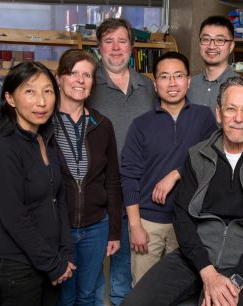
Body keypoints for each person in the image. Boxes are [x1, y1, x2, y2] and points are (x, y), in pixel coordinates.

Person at [121, 76, 243, 306]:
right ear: (219, 114)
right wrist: (207, 272)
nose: (238, 119)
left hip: (242, 265)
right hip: (194, 257)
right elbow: (182, 218)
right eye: (230, 109)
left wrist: (237, 279)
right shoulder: (197, 155)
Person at [121, 51, 217, 286]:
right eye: (164, 77)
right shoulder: (141, 125)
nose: (172, 83)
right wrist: (135, 226)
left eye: (178, 76)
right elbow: (129, 175)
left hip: (190, 222)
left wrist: (176, 174)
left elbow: (213, 158)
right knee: (143, 292)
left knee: (182, 291)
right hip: (148, 223)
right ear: (155, 84)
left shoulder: (204, 117)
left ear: (189, 80)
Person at [0, 62, 75, 306]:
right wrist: (54, 264)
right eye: (30, 91)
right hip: (18, 266)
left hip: (50, 259)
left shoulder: (44, 139)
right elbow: (15, 218)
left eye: (48, 91)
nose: (42, 102)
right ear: (10, 99)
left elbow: (60, 200)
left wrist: (65, 252)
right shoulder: (2, 148)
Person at [86, 18, 157, 305]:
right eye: (108, 41)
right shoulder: (88, 83)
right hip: (99, 189)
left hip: (140, 188)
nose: (116, 48)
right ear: (98, 47)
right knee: (94, 267)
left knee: (130, 263)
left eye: (122, 41)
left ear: (132, 46)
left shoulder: (148, 86)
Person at [53, 49, 122, 306]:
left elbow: (112, 181)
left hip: (96, 227)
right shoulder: (45, 123)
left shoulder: (101, 124)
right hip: (59, 229)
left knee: (88, 295)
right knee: (64, 296)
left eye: (87, 75)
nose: (80, 80)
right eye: (73, 73)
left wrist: (114, 231)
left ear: (93, 83)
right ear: (59, 78)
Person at [186, 15, 239, 112]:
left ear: (231, 46)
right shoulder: (188, 85)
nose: (211, 46)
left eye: (219, 40)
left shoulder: (242, 87)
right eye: (206, 39)